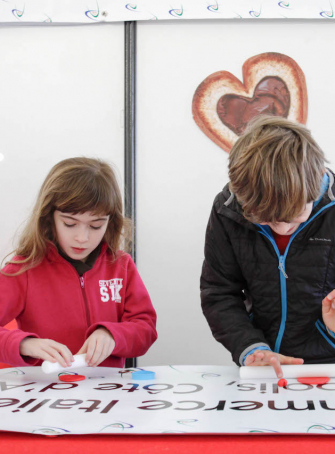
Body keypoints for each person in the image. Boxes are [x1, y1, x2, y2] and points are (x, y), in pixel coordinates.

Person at [201, 115, 335, 378]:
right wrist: (250, 348)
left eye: (295, 218)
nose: (282, 229)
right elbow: (219, 292)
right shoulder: (227, 210)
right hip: (260, 369)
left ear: (317, 178)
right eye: (265, 220)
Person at [0, 157, 157, 369]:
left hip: (107, 394)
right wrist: (24, 344)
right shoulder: (24, 269)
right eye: (70, 224)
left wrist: (113, 335)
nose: (82, 238)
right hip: (45, 395)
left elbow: (146, 328)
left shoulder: (121, 265)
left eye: (95, 226)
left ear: (110, 223)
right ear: (49, 218)